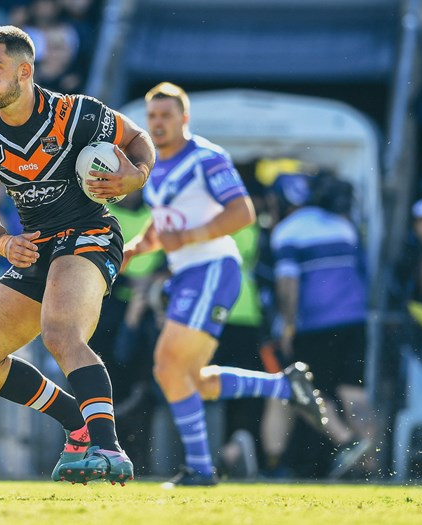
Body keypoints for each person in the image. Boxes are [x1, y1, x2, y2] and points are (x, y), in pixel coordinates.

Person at [0, 25, 155, 485]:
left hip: (90, 232)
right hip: (36, 247)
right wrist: (4, 242)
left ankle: (108, 447)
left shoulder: (75, 113)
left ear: (24, 71)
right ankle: (76, 422)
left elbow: (137, 138)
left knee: (60, 331)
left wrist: (135, 177)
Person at [123, 82, 327, 487]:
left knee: (167, 365)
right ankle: (283, 386)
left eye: (166, 115)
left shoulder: (207, 157)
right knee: (190, 378)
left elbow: (243, 212)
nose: (158, 124)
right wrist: (134, 248)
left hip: (213, 268)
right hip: (189, 273)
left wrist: (190, 237)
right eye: (152, 117)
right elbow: (164, 223)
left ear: (185, 118)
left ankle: (201, 468)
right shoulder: (155, 165)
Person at [270, 172, 374, 478]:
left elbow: (288, 283)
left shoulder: (287, 231)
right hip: (355, 319)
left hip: (315, 324)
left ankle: (346, 441)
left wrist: (288, 326)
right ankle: (372, 464)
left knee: (305, 389)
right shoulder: (342, 225)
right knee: (355, 393)